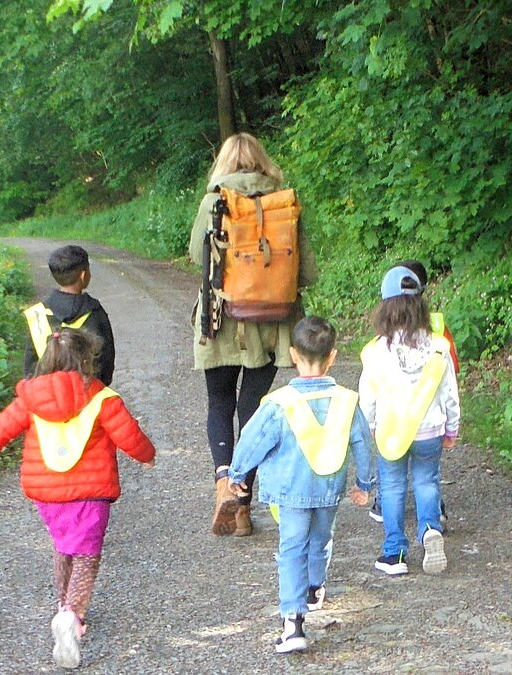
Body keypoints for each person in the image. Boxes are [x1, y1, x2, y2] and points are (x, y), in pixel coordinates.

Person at [0, 329, 155, 668]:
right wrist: (147, 455)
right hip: (90, 493)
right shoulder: (101, 398)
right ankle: (70, 614)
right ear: (85, 361)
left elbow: (0, 428)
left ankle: (61, 605)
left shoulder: (30, 400)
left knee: (64, 545)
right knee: (86, 555)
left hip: (47, 494)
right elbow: (128, 433)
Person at [188, 132, 318, 537]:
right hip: (274, 324)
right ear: (264, 162)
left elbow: (197, 256)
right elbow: (308, 272)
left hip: (222, 317)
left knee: (219, 402)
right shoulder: (285, 204)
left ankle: (223, 481)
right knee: (254, 410)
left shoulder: (215, 202)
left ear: (224, 163)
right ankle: (243, 507)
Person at [227, 316, 374, 653]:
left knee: (292, 549)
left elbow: (252, 440)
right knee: (322, 539)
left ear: (293, 355)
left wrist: (237, 474)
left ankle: (292, 623)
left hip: (291, 492)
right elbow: (362, 443)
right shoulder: (346, 400)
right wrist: (364, 483)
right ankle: (315, 587)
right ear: (333, 357)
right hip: (329, 488)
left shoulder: (278, 404)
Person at [359, 267, 460, 576]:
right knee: (427, 481)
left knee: (391, 487)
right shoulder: (438, 348)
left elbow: (368, 396)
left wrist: (370, 427)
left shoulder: (377, 351)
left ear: (385, 309)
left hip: (391, 432)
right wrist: (451, 427)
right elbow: (450, 392)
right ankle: (430, 529)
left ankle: (394, 552)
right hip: (430, 429)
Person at [23, 245, 116, 386]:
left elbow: (30, 370)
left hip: (48, 399)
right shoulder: (95, 313)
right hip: (88, 397)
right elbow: (106, 363)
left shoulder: (36, 315)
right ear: (83, 275)